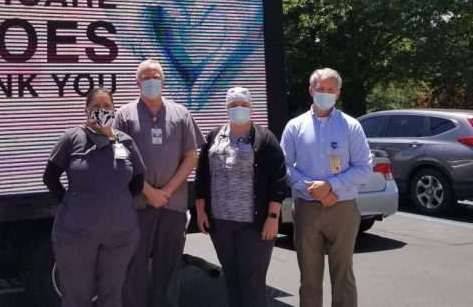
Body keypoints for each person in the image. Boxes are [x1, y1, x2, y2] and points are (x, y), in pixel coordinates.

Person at [113, 59, 206, 307]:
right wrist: (148, 191)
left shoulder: (181, 113)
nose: (151, 81)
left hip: (172, 204)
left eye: (155, 77)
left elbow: (191, 156)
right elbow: (120, 159)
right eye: (146, 77)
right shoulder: (123, 115)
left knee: (169, 267)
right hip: (136, 205)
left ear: (163, 81)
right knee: (134, 268)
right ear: (137, 82)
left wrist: (164, 191)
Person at [43, 87, 146, 307]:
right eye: (95, 107)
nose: (101, 111)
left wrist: (116, 202)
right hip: (76, 235)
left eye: (106, 106)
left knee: (112, 294)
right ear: (86, 110)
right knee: (76, 296)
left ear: (114, 109)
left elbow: (137, 181)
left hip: (120, 236)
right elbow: (50, 177)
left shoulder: (125, 141)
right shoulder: (71, 138)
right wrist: (72, 203)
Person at [280, 68, 373, 307]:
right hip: (307, 209)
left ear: (338, 93)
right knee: (309, 279)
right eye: (321, 89)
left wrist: (331, 186)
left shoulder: (350, 126)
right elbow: (285, 167)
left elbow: (364, 167)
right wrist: (313, 189)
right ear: (311, 91)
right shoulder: (294, 126)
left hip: (342, 209)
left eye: (331, 90)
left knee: (343, 277)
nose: (325, 93)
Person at [194, 87, 288, 307]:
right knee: (232, 279)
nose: (239, 109)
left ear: (251, 107)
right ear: (226, 108)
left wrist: (273, 217)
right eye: (234, 105)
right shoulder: (214, 136)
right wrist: (200, 211)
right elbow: (202, 176)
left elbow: (279, 180)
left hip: (254, 224)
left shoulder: (265, 138)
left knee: (253, 282)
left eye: (244, 105)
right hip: (221, 223)